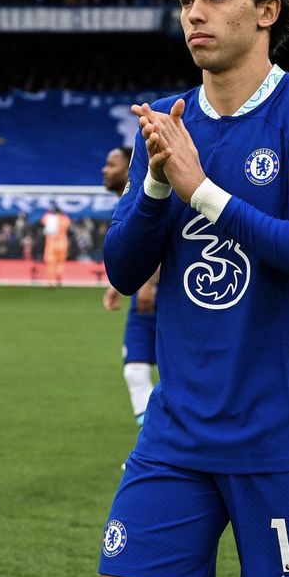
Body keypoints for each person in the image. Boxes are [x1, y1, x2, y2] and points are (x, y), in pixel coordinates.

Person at [99, 0, 289, 577]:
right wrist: (158, 186)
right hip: (177, 432)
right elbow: (123, 271)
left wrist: (203, 193)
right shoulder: (166, 120)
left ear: (267, 11)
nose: (195, 13)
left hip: (285, 438)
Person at [101, 147, 158, 443]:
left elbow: (158, 233)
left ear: (129, 167)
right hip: (144, 295)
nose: (104, 170)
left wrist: (147, 283)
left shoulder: (148, 191)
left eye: (111, 164)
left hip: (170, 294)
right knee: (135, 371)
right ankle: (152, 441)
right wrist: (118, 284)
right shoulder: (125, 198)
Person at [39, 202, 71, 286]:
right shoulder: (64, 219)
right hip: (62, 244)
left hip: (51, 244)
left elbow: (42, 220)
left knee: (50, 262)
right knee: (61, 262)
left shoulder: (48, 218)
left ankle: (51, 280)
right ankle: (59, 278)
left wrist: (49, 212)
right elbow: (68, 223)